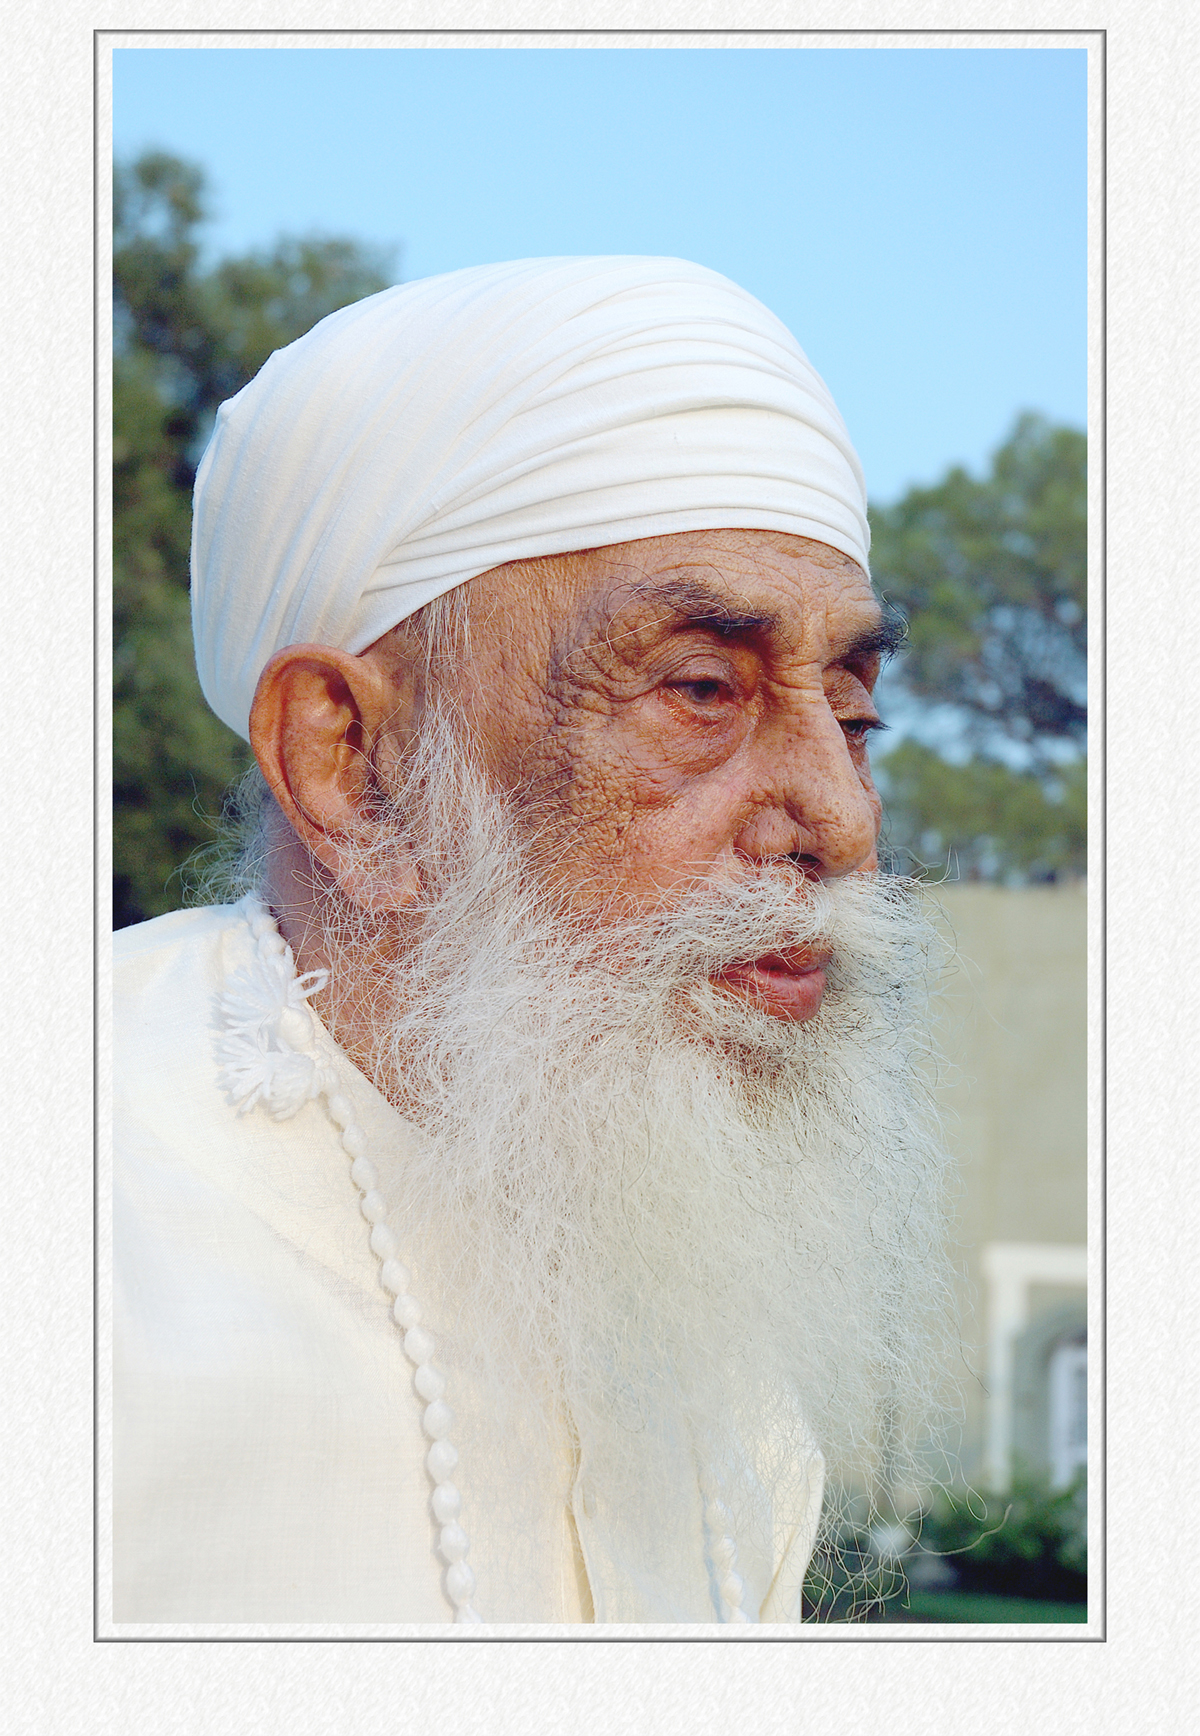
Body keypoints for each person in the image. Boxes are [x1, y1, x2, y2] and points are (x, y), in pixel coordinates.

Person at [113, 255, 953, 1627]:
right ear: (353, 767)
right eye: (702, 690)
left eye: (854, 716)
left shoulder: (692, 1286)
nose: (843, 821)